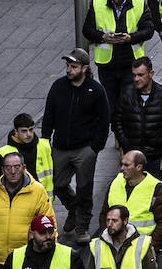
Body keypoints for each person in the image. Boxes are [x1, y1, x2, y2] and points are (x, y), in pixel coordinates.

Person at [42, 48, 110, 244]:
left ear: (84, 68)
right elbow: (49, 114)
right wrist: (46, 140)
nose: (69, 70)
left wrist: (95, 148)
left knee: (84, 188)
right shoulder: (58, 87)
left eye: (73, 66)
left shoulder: (96, 90)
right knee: (57, 184)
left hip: (84, 149)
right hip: (60, 148)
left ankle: (82, 226)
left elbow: (104, 121)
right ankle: (74, 208)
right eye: (67, 66)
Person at [83, 0, 155, 111]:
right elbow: (87, 30)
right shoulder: (98, 2)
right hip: (107, 65)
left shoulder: (139, 3)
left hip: (131, 64)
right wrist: (103, 37)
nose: (116, 0)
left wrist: (131, 38)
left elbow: (149, 30)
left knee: (127, 102)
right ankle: (116, 129)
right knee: (110, 104)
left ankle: (122, 129)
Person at [0, 155, 54, 267]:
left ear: (23, 167)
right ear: (2, 169)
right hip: (0, 258)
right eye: (8, 167)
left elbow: (49, 220)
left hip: (26, 257)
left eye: (17, 167)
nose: (13, 171)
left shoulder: (38, 191)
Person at [111, 60, 162, 180]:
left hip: (156, 157)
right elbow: (117, 120)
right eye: (134, 75)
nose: (136, 79)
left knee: (155, 194)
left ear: (151, 74)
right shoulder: (126, 95)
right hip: (132, 156)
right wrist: (125, 143)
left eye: (140, 75)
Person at [83, 204, 159, 269]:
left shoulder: (142, 245)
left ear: (125, 221)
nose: (110, 224)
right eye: (108, 220)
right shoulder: (97, 246)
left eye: (114, 220)